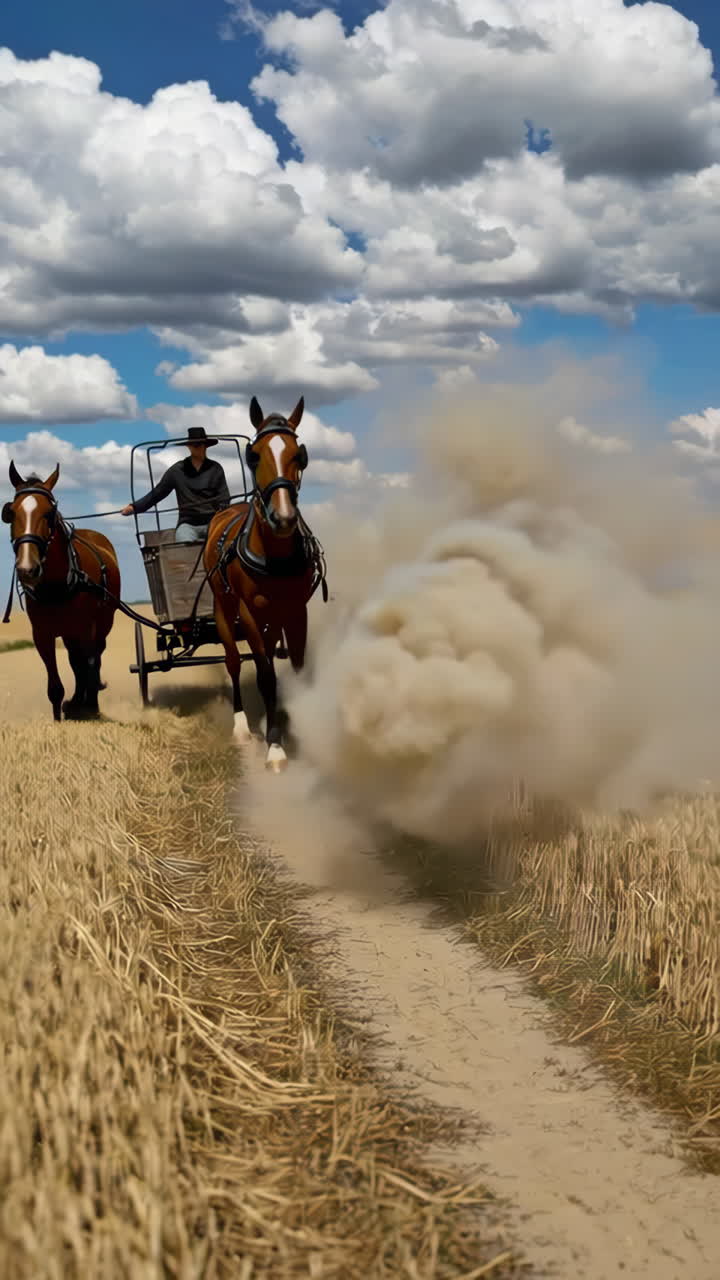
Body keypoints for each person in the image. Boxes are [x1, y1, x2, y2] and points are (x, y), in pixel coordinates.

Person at [121, 427, 231, 542]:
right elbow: (158, 493)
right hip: (188, 524)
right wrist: (134, 507)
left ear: (206, 446)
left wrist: (221, 515)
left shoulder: (216, 469)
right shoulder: (177, 470)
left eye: (200, 444)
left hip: (212, 523)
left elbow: (224, 498)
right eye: (194, 445)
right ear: (188, 447)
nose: (198, 447)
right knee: (184, 546)